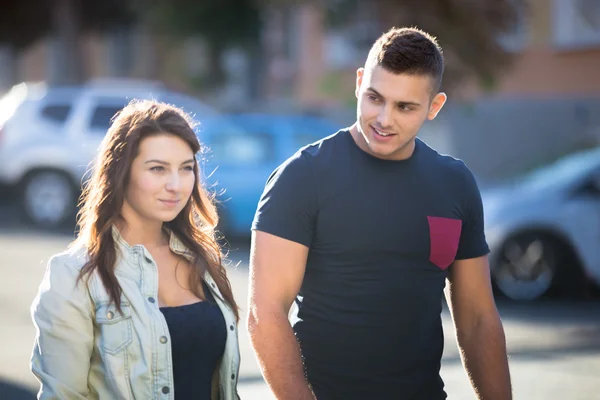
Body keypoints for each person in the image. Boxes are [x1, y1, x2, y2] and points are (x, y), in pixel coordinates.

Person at [248, 27, 511, 400]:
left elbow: (478, 320)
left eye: (405, 107)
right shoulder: (303, 176)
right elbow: (265, 313)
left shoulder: (454, 183)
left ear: (434, 107)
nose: (384, 119)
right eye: (375, 97)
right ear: (359, 83)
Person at [30, 100, 241, 400]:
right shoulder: (74, 275)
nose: (176, 185)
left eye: (186, 169)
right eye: (157, 169)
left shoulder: (203, 260)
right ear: (120, 173)